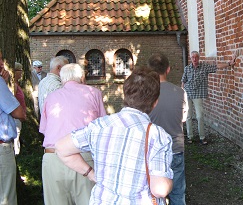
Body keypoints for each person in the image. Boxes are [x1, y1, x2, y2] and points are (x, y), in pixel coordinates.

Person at [55, 67, 173, 205]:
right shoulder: (158, 136)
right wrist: (170, 181)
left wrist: (91, 174)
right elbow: (160, 189)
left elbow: (61, 148)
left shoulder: (99, 126)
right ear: (155, 102)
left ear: (125, 95)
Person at [40, 63, 107, 205]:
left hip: (52, 158)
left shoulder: (51, 97)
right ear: (82, 77)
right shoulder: (94, 93)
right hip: (83, 158)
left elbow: (45, 130)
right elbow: (102, 130)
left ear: (62, 78)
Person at [148, 53, 188, 205]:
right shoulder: (180, 92)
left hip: (152, 151)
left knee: (153, 195)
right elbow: (183, 118)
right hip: (175, 148)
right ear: (168, 69)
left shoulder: (146, 94)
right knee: (178, 193)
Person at [181, 51, 236, 145]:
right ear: (191, 58)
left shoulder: (204, 67)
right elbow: (183, 81)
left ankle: (202, 137)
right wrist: (182, 93)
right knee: (188, 116)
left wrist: (229, 63)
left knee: (199, 116)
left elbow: (216, 66)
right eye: (192, 57)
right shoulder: (187, 69)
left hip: (198, 95)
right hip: (188, 94)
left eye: (196, 57)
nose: (194, 59)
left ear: (198, 58)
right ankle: (190, 137)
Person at [0, 50, 26, 204]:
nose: (2, 63)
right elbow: (19, 113)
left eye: (2, 58)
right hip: (2, 149)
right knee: (6, 198)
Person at [14, 62, 27, 155]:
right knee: (15, 137)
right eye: (19, 70)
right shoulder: (13, 85)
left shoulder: (17, 84)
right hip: (16, 117)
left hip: (19, 117)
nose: (21, 72)